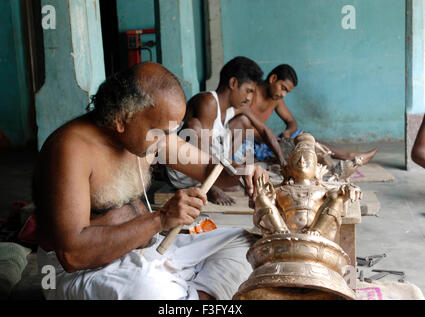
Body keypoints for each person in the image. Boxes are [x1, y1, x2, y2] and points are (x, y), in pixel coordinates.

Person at [33, 62, 267, 300]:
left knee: (249, 244)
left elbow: (211, 169)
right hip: (86, 271)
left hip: (149, 249)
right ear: (122, 119)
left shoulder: (150, 134)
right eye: (162, 132)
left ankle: (190, 296)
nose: (167, 141)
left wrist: (242, 173)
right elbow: (73, 255)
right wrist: (161, 218)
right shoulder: (71, 149)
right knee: (150, 290)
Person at [166, 57, 286, 206]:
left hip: (211, 165)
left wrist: (282, 161)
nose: (249, 98)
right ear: (233, 83)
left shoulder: (239, 106)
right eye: (248, 91)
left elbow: (263, 129)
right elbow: (202, 153)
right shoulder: (208, 102)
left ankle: (219, 176)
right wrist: (212, 187)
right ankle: (210, 185)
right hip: (186, 172)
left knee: (243, 122)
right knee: (195, 126)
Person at [230, 64, 379, 166]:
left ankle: (349, 156)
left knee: (301, 136)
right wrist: (272, 140)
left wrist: (288, 133)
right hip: (246, 141)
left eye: (286, 91)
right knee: (243, 157)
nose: (283, 94)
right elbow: (242, 124)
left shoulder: (276, 99)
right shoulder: (251, 93)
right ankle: (265, 161)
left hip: (267, 141)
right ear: (273, 79)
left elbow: (291, 121)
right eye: (283, 88)